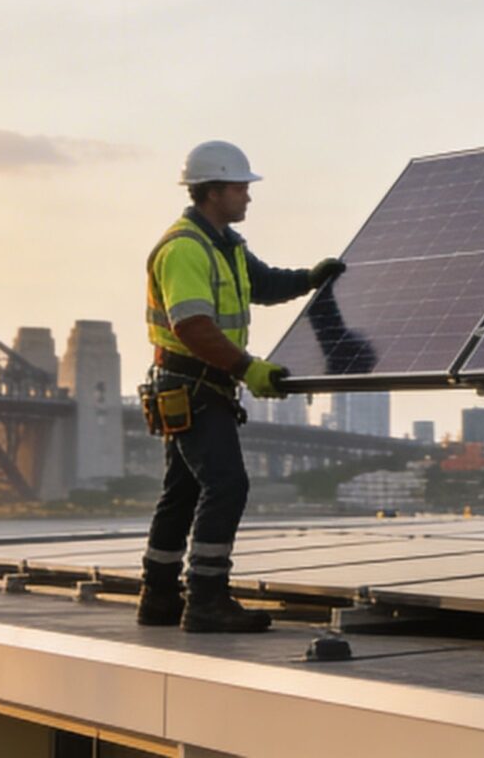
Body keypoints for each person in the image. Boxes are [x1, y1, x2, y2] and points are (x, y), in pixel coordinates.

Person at [138, 140, 344, 633]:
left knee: (182, 492)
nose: (248, 197)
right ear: (213, 191)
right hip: (194, 386)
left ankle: (160, 597)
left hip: (196, 388)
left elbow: (265, 283)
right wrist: (249, 369)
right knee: (226, 484)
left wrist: (310, 278)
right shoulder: (186, 248)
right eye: (239, 188)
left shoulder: (224, 245)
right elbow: (192, 326)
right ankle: (206, 599)